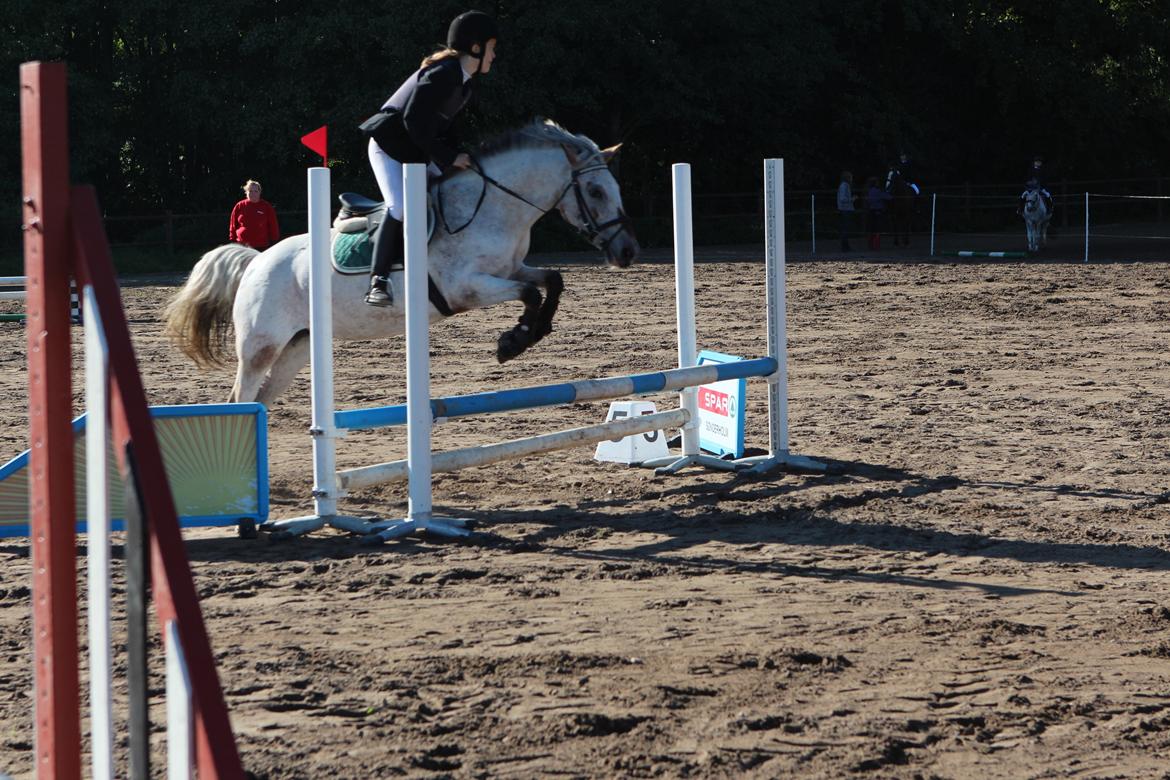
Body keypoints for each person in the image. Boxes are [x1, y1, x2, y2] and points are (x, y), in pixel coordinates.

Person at [360, 10, 499, 307]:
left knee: (455, 191)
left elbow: (444, 130)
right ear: (476, 47)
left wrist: (463, 158)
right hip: (389, 147)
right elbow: (412, 121)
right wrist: (449, 158)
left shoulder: (463, 82)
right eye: (492, 48)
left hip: (415, 151)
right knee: (399, 208)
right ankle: (378, 281)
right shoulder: (443, 74)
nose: (494, 55)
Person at [228, 180, 281, 250]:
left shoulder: (266, 206)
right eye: (250, 191)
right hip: (242, 246)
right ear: (246, 192)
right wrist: (232, 239)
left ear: (260, 192)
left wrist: (274, 240)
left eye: (256, 191)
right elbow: (233, 225)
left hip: (262, 246)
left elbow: (273, 225)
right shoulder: (239, 206)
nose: (253, 193)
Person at [865, 176, 892, 250]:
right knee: (877, 229)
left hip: (871, 211)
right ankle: (876, 246)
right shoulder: (878, 191)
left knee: (871, 228)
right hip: (878, 211)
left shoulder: (869, 191)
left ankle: (870, 245)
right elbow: (889, 197)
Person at [836, 171, 856, 252]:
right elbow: (842, 198)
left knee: (845, 229)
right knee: (845, 229)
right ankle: (845, 247)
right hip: (845, 209)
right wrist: (852, 199)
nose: (852, 179)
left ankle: (846, 246)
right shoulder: (844, 186)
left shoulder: (845, 185)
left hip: (845, 209)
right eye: (850, 177)